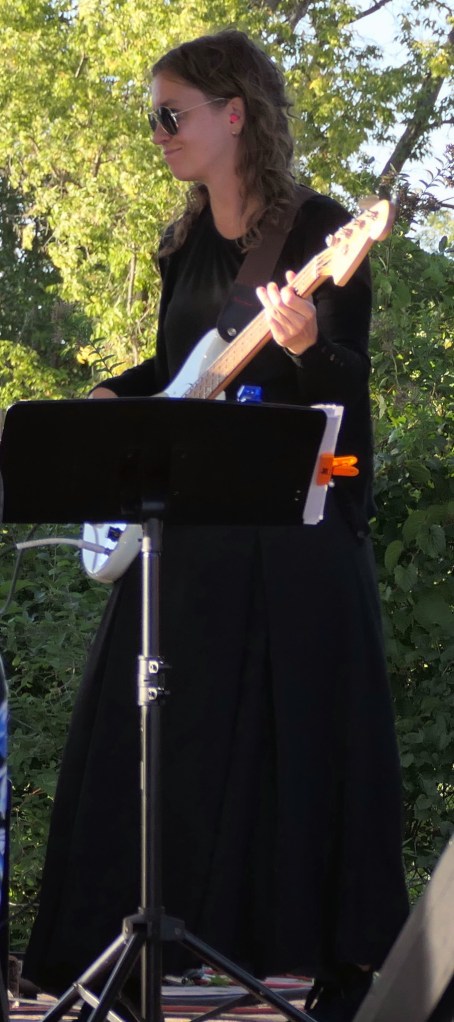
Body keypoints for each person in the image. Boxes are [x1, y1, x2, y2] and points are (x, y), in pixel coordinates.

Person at [23, 29, 409, 1022]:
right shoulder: (187, 243)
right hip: (191, 536)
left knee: (292, 751)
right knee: (149, 736)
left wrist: (308, 345)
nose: (157, 132)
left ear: (235, 114)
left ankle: (314, 965)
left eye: (171, 114)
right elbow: (178, 371)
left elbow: (349, 389)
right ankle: (129, 953)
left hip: (289, 545)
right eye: (152, 116)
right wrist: (111, 394)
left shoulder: (323, 230)